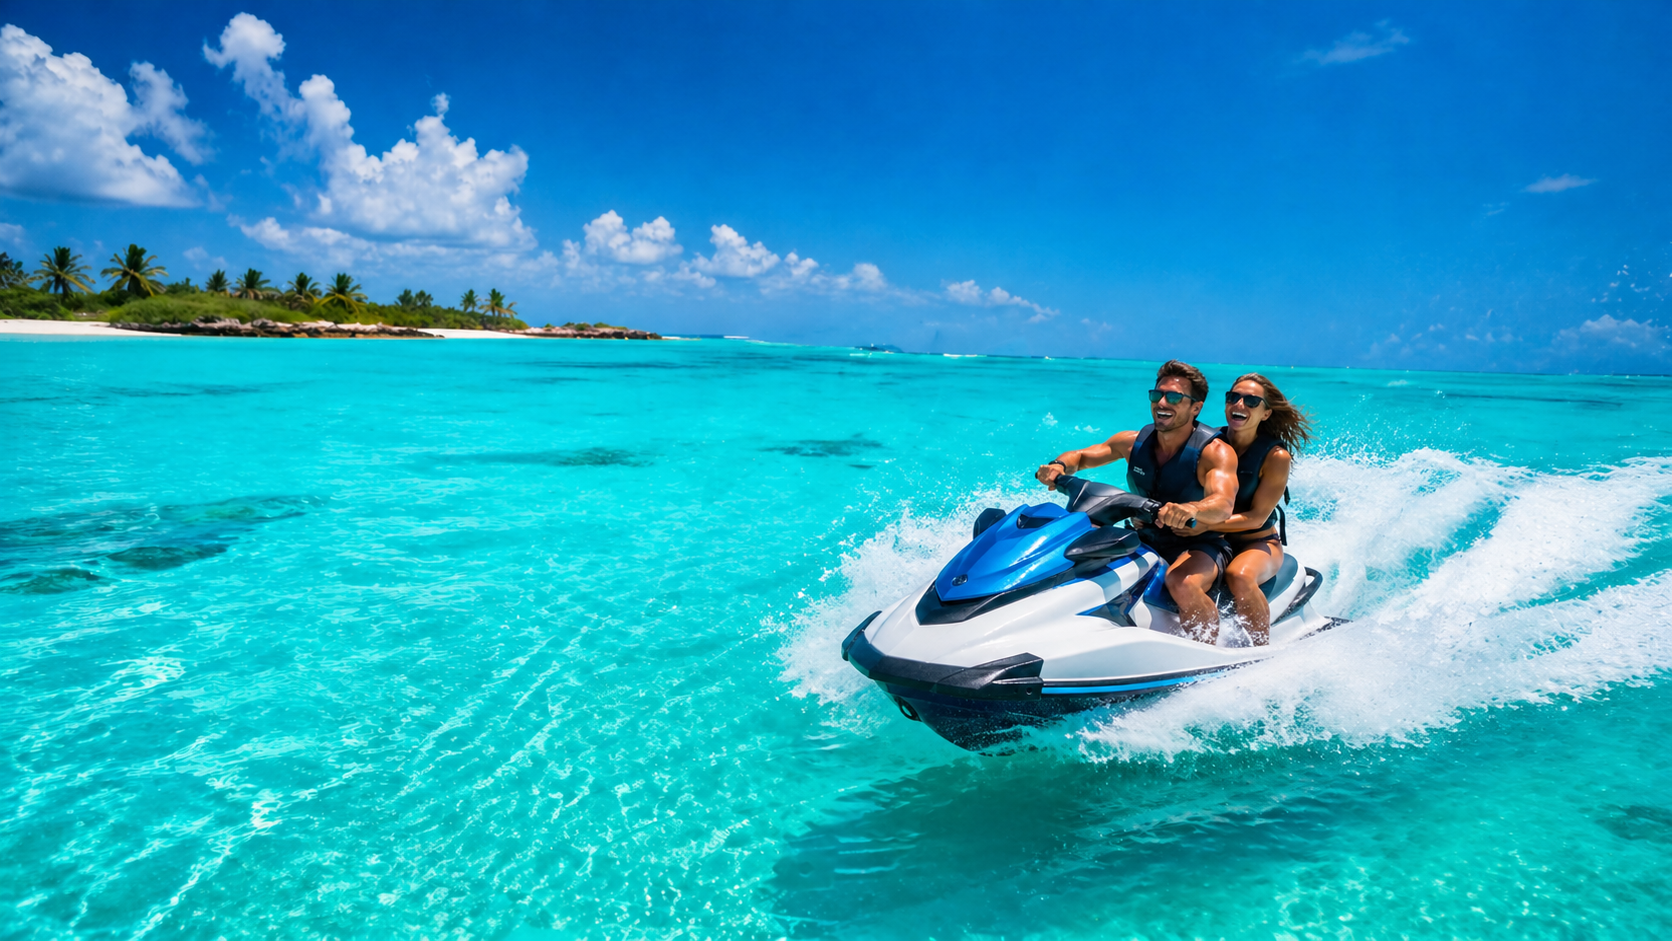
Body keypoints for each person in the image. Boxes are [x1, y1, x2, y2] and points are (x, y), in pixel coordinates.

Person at [1034, 360, 1237, 641]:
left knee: (1182, 583)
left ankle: (1210, 651)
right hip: (1146, 536)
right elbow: (1082, 456)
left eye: (1175, 397)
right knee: (1074, 550)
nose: (1162, 402)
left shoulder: (1215, 452)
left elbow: (1222, 504)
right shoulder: (1131, 442)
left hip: (1200, 543)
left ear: (1196, 407)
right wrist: (1057, 466)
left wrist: (1190, 509)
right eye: (1157, 395)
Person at [1203, 372, 1314, 645]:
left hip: (1257, 542)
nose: (1239, 405)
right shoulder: (1208, 444)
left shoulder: (1276, 457)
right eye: (1233, 398)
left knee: (1238, 576)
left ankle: (1260, 651)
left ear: (1266, 413)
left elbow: (1256, 518)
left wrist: (1202, 523)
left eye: (1252, 401)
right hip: (1209, 541)